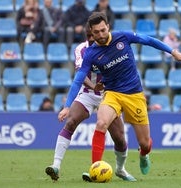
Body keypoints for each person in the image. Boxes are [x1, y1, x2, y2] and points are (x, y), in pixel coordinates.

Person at [59, 12, 181, 180]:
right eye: (96, 32)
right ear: (91, 32)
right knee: (101, 123)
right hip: (112, 93)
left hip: (134, 94)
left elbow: (149, 40)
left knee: (145, 143)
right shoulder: (91, 53)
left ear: (108, 26)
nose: (100, 34)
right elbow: (78, 80)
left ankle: (144, 154)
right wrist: (67, 105)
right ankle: (95, 169)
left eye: (102, 30)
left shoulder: (123, 37)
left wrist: (173, 52)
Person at [45, 23, 136, 182]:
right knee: (71, 121)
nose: (95, 37)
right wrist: (68, 106)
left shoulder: (113, 45)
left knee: (120, 138)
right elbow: (80, 76)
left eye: (97, 33)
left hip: (109, 95)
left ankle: (121, 170)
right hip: (87, 93)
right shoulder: (82, 49)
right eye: (91, 35)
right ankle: (56, 166)